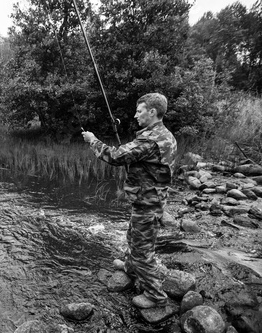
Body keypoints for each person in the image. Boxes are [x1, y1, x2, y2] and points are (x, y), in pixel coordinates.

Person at [82, 92, 177, 309]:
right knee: (132, 234)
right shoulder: (164, 135)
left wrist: (93, 141)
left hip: (148, 202)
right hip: (148, 198)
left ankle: (156, 296)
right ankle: (130, 267)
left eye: (139, 111)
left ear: (152, 112)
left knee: (143, 250)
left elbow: (116, 156)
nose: (135, 115)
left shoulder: (151, 140)